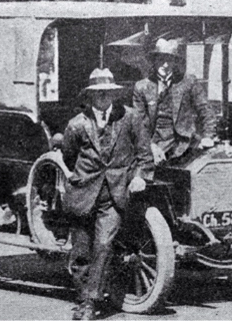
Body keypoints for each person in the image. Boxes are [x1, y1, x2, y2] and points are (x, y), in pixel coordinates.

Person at [62, 68, 153, 320]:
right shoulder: (76, 125)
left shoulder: (130, 118)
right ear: (90, 97)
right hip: (82, 194)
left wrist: (138, 177)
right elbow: (69, 158)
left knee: (103, 245)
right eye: (98, 93)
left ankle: (90, 302)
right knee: (80, 252)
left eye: (107, 93)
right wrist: (84, 178)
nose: (103, 98)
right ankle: (82, 298)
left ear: (114, 94)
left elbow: (145, 156)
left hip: (115, 195)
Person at [132, 38, 215, 165]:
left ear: (175, 62)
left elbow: (206, 110)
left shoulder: (188, 82)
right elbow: (138, 124)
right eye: (160, 59)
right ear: (154, 61)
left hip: (185, 143)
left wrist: (208, 136)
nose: (164, 65)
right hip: (155, 144)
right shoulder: (141, 87)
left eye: (169, 60)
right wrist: (150, 147)